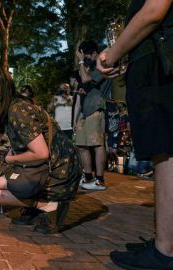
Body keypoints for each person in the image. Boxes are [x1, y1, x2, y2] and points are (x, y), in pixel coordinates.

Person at [97, 1, 173, 268]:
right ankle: (165, 241)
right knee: (162, 152)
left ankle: (166, 250)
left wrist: (114, 53)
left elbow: (154, 11)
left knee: (165, 152)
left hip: (159, 65)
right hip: (154, 60)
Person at [0, 66, 81, 234]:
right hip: (54, 163)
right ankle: (36, 204)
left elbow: (41, 152)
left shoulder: (17, 109)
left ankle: (47, 205)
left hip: (59, 170)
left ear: (2, 85)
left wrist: (10, 160)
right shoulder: (14, 107)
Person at [74, 40, 112, 191]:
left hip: (96, 110)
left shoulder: (102, 64)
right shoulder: (88, 67)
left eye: (87, 55)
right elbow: (83, 85)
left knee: (97, 145)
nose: (86, 58)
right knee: (81, 145)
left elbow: (85, 79)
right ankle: (88, 177)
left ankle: (100, 180)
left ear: (95, 53)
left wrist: (81, 60)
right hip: (84, 112)